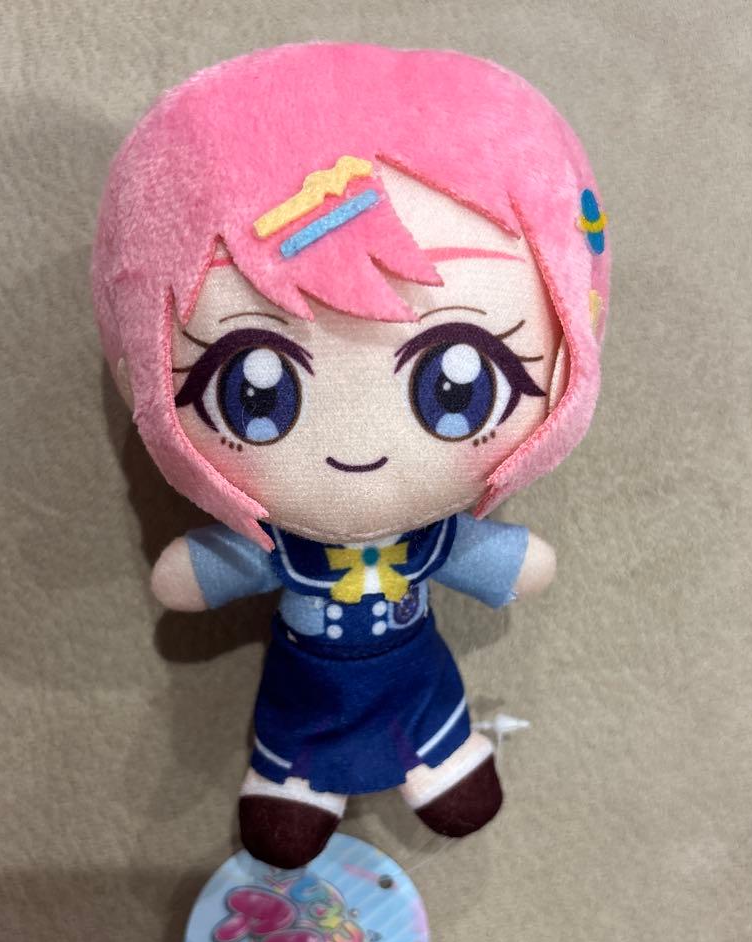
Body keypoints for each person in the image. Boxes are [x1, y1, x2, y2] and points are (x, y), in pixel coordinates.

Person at [92, 42, 610, 868]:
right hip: (308, 691)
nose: (358, 449)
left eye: (455, 384)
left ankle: (441, 755)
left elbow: (501, 562)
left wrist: (513, 561)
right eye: (254, 393)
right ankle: (296, 781)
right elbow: (203, 574)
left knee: (432, 723)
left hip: (417, 682)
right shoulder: (284, 549)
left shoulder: (428, 541)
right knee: (294, 750)